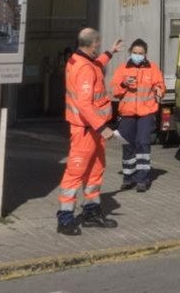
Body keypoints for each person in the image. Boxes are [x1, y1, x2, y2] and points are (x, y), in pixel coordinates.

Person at [56, 28, 122, 235]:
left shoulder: (79, 60)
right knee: (75, 173)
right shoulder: (84, 67)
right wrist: (101, 127)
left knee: (96, 170)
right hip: (87, 130)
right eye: (99, 45)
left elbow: (96, 66)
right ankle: (65, 219)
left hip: (90, 130)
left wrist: (110, 53)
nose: (99, 47)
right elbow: (84, 104)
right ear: (93, 44)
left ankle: (91, 211)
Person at [112, 38, 166, 193]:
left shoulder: (153, 68)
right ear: (130, 53)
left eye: (140, 53)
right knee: (128, 145)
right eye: (135, 53)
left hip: (146, 113)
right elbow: (115, 91)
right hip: (127, 113)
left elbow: (160, 84)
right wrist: (124, 84)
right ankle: (128, 177)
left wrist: (159, 90)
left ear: (145, 54)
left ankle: (142, 178)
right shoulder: (122, 69)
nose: (137, 55)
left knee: (143, 143)